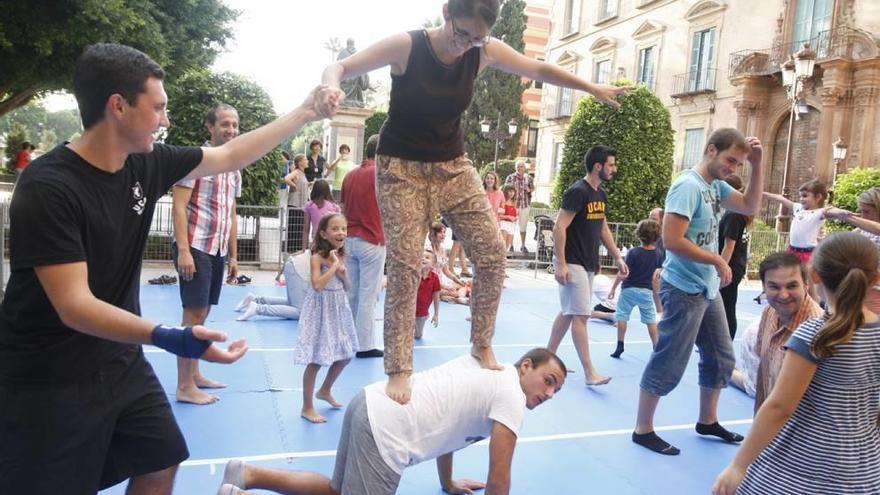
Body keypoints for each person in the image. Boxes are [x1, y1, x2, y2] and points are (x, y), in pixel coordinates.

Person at [0, 43, 333, 494]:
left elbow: (231, 155)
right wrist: (170, 336)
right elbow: (74, 305)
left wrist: (306, 111)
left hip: (118, 359)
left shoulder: (146, 163)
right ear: (118, 106)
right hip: (49, 374)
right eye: (158, 108)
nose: (165, 119)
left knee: (162, 455)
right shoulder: (48, 186)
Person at [319, 0, 629, 404]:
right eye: (462, 33)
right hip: (401, 170)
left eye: (477, 37)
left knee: (492, 255)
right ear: (446, 12)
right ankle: (398, 368)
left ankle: (481, 343)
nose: (467, 44)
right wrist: (330, 85)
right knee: (406, 265)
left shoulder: (483, 50)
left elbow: (537, 69)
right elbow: (341, 67)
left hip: (452, 165)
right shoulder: (407, 46)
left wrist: (591, 86)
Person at [216, 348, 567, 495]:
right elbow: (499, 479)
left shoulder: (490, 372)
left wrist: (447, 482)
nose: (549, 393)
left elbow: (453, 424)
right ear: (526, 366)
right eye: (548, 380)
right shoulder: (511, 396)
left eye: (557, 390)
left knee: (337, 491)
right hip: (386, 433)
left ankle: (246, 475)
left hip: (368, 403)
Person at [713, 232, 880, 495]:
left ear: (813, 275)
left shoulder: (815, 334)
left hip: (801, 469)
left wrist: (738, 465)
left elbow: (780, 406)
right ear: (876, 278)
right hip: (862, 473)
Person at [633, 128, 763, 456]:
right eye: (730, 160)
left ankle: (708, 420)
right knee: (669, 358)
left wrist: (758, 165)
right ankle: (642, 428)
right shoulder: (688, 186)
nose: (733, 168)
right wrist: (717, 260)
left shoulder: (715, 187)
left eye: (739, 164)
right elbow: (673, 240)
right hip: (684, 288)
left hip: (707, 288)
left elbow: (749, 206)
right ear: (711, 150)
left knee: (721, 356)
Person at [171, 103, 242, 405]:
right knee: (193, 315)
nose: (231, 130)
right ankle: (184, 386)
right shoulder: (196, 161)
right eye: (225, 124)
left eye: (235, 125)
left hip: (217, 249)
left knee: (204, 313)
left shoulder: (235, 165)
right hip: (196, 245)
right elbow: (178, 206)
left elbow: (232, 212)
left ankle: (196, 375)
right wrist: (184, 250)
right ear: (210, 126)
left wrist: (234, 255)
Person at [547, 145, 628, 386]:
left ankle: (546, 358)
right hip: (572, 261)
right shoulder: (577, 191)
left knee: (569, 311)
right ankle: (590, 372)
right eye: (611, 165)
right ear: (598, 166)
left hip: (587, 261)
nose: (614, 169)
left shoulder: (600, 194)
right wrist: (560, 263)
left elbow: (602, 228)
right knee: (581, 315)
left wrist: (617, 256)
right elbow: (559, 226)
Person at [729, 252, 823, 412]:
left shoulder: (817, 331)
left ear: (806, 285)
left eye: (792, 286)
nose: (784, 295)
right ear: (763, 288)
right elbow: (763, 376)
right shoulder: (769, 312)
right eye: (774, 286)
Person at [296, 213, 358, 423]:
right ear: (323, 233)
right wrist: (332, 266)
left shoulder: (341, 256)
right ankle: (307, 407)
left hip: (338, 308)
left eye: (344, 229)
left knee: (346, 354)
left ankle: (325, 389)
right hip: (321, 310)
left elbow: (348, 286)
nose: (341, 232)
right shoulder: (317, 257)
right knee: (317, 359)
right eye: (335, 229)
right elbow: (317, 285)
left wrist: (342, 272)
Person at [341, 134, 387, 358]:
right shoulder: (380, 175)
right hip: (372, 239)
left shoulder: (350, 175)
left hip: (350, 237)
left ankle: (347, 339)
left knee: (352, 294)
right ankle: (365, 345)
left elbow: (342, 206)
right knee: (369, 296)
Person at [610, 219, 664, 358]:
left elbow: (624, 272)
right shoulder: (658, 254)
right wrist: (656, 297)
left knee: (622, 316)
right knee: (650, 320)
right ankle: (655, 346)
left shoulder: (633, 252)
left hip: (629, 289)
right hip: (646, 291)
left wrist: (613, 288)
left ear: (639, 234)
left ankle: (620, 344)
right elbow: (656, 276)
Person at [824, 187, 880, 314]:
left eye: (866, 211)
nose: (862, 215)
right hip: (860, 289)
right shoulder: (862, 230)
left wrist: (846, 217)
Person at [762, 179, 830, 264]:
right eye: (800, 196)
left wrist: (846, 214)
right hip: (792, 250)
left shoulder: (820, 212)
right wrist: (761, 193)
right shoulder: (798, 208)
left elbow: (837, 212)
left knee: (806, 275)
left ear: (818, 197)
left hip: (808, 253)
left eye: (805, 196)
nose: (801, 199)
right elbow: (780, 199)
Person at [718, 174, 751, 339]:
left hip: (731, 266)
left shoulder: (733, 214)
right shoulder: (737, 213)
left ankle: (726, 342)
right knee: (725, 305)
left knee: (727, 306)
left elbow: (729, 246)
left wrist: (721, 269)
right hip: (735, 265)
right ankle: (723, 340)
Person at [234, 252, 308, 321]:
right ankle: (258, 309)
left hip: (295, 264)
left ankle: (256, 300)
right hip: (298, 268)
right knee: (300, 311)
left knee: (293, 304)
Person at [505, 159, 535, 254]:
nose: (520, 168)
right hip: (513, 205)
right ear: (515, 167)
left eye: (521, 166)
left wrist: (529, 190)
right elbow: (505, 190)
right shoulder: (510, 177)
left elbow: (533, 188)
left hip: (525, 205)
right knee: (511, 226)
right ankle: (511, 245)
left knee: (523, 227)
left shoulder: (528, 178)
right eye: (518, 166)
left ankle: (523, 245)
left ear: (524, 168)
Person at [303, 179, 341, 246]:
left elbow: (306, 229)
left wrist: (304, 247)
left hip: (316, 239)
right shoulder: (334, 207)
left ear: (314, 190)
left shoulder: (309, 205)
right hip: (331, 240)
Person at [285, 153, 310, 253]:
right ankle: (292, 250)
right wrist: (294, 186)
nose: (307, 161)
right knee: (294, 227)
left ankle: (298, 250)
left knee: (299, 227)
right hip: (295, 204)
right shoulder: (296, 172)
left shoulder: (303, 173)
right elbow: (287, 178)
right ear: (300, 162)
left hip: (301, 204)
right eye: (305, 159)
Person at [416, 250, 441, 339]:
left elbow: (436, 298)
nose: (423, 258)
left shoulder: (435, 278)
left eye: (427, 258)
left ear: (433, 265)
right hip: (408, 310)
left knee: (417, 336)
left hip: (421, 313)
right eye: (422, 257)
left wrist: (436, 314)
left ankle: (424, 318)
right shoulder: (414, 274)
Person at [648, 207, 665, 313]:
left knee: (656, 277)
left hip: (666, 271)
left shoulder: (668, 237)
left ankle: (661, 312)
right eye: (649, 219)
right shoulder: (650, 236)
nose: (650, 222)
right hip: (653, 270)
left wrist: (662, 269)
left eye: (654, 219)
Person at [498, 184, 517, 253]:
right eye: (510, 191)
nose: (512, 193)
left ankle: (502, 261)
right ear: (506, 191)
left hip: (511, 225)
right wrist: (508, 217)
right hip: (504, 224)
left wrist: (516, 217)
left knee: (507, 246)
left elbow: (515, 215)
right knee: (502, 245)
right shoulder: (502, 202)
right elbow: (498, 216)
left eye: (513, 191)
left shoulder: (514, 202)